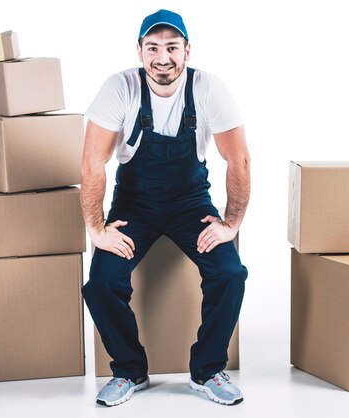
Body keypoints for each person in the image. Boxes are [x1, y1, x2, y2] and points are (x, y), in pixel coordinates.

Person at [80, 9, 250, 407]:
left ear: (187, 50)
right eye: (152, 47)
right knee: (102, 281)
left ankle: (208, 370)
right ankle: (128, 370)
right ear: (139, 51)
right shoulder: (119, 88)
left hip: (191, 202)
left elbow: (238, 160)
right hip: (133, 203)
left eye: (172, 47)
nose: (162, 57)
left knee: (230, 273)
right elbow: (92, 163)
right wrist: (96, 229)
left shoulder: (209, 89)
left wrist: (231, 223)